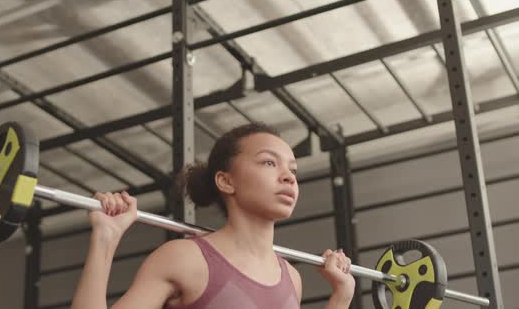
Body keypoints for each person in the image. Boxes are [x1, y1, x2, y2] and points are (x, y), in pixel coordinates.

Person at [71, 123, 355, 309]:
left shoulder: (291, 278)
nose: (288, 178)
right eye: (269, 162)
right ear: (226, 181)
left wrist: (341, 297)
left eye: (293, 170)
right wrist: (105, 238)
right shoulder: (184, 258)